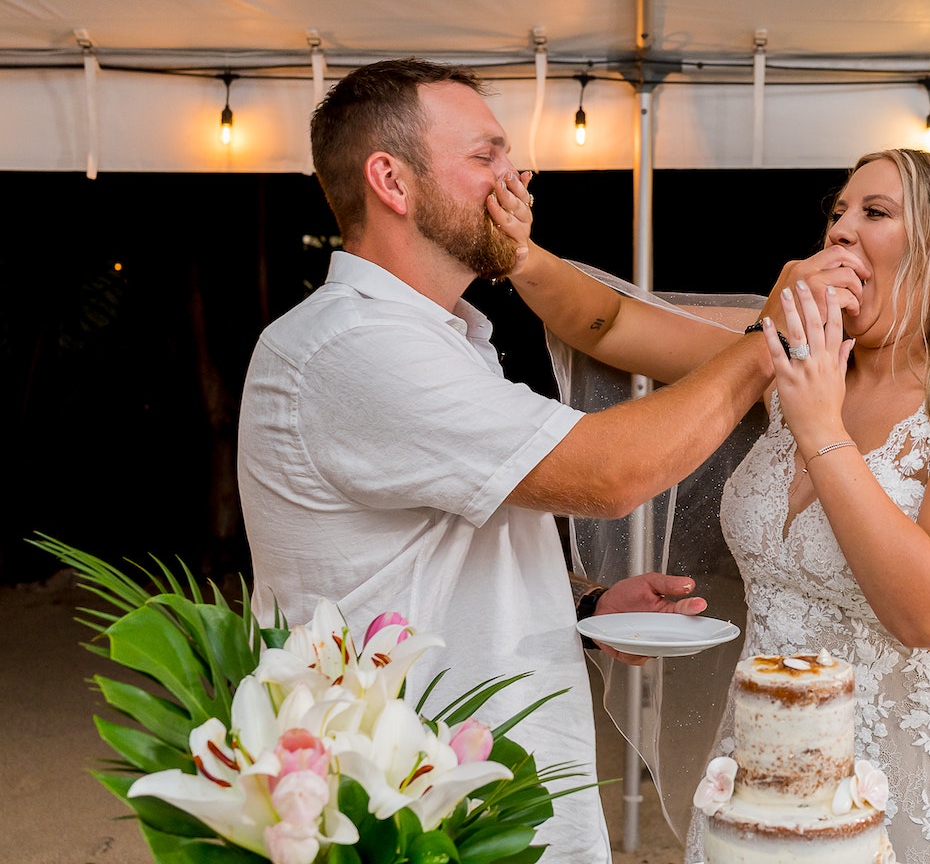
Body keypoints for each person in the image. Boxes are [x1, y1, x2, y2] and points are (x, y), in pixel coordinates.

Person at [235, 57, 803, 864]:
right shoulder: (354, 344)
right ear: (392, 182)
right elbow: (608, 475)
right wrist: (768, 347)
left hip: (482, 788)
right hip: (415, 815)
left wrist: (587, 607)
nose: (518, 174)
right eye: (486, 156)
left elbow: (438, 552)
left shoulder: (442, 335)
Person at [508, 148, 930, 863]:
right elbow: (607, 323)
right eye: (837, 213)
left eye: (875, 213)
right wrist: (514, 250)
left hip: (911, 758)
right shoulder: (784, 353)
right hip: (768, 741)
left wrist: (822, 429)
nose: (840, 232)